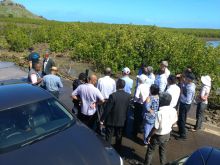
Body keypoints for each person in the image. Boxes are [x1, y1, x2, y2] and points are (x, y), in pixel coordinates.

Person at [144, 93, 177, 165]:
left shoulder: (159, 113)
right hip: (167, 134)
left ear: (161, 101)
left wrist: (149, 136)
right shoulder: (173, 110)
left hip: (158, 136)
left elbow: (155, 127)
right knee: (163, 151)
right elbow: (174, 122)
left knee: (150, 151)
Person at [100, 79, 131, 152]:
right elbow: (128, 109)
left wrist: (102, 119)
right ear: (124, 86)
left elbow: (107, 109)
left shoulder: (113, 95)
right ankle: (117, 151)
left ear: (117, 85)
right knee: (119, 137)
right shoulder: (128, 96)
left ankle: (107, 150)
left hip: (111, 120)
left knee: (109, 136)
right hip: (122, 120)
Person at [177, 73, 196, 140]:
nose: (185, 79)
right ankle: (180, 131)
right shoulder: (190, 84)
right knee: (182, 118)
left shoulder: (190, 88)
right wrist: (182, 82)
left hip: (185, 104)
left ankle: (183, 135)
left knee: (182, 119)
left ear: (190, 79)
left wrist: (181, 93)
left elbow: (187, 100)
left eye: (187, 78)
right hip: (185, 104)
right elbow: (184, 84)